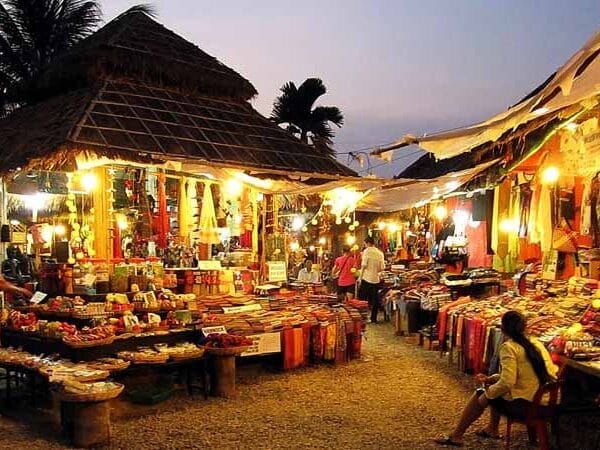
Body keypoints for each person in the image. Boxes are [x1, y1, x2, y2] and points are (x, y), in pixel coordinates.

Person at [435, 310, 558, 447]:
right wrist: (492, 378)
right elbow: (524, 374)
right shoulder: (536, 344)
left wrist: (488, 394)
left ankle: (457, 435)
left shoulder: (509, 348)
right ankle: (492, 428)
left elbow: (507, 382)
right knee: (493, 388)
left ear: (503, 328)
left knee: (482, 393)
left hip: (528, 406)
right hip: (546, 402)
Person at [358, 236, 385, 323]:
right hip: (375, 279)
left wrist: (360, 278)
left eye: (365, 244)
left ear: (368, 243)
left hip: (366, 278)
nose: (365, 246)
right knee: (375, 300)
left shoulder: (367, 252)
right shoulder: (380, 253)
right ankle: (373, 318)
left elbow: (364, 265)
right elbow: (382, 267)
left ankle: (363, 317)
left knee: (362, 299)